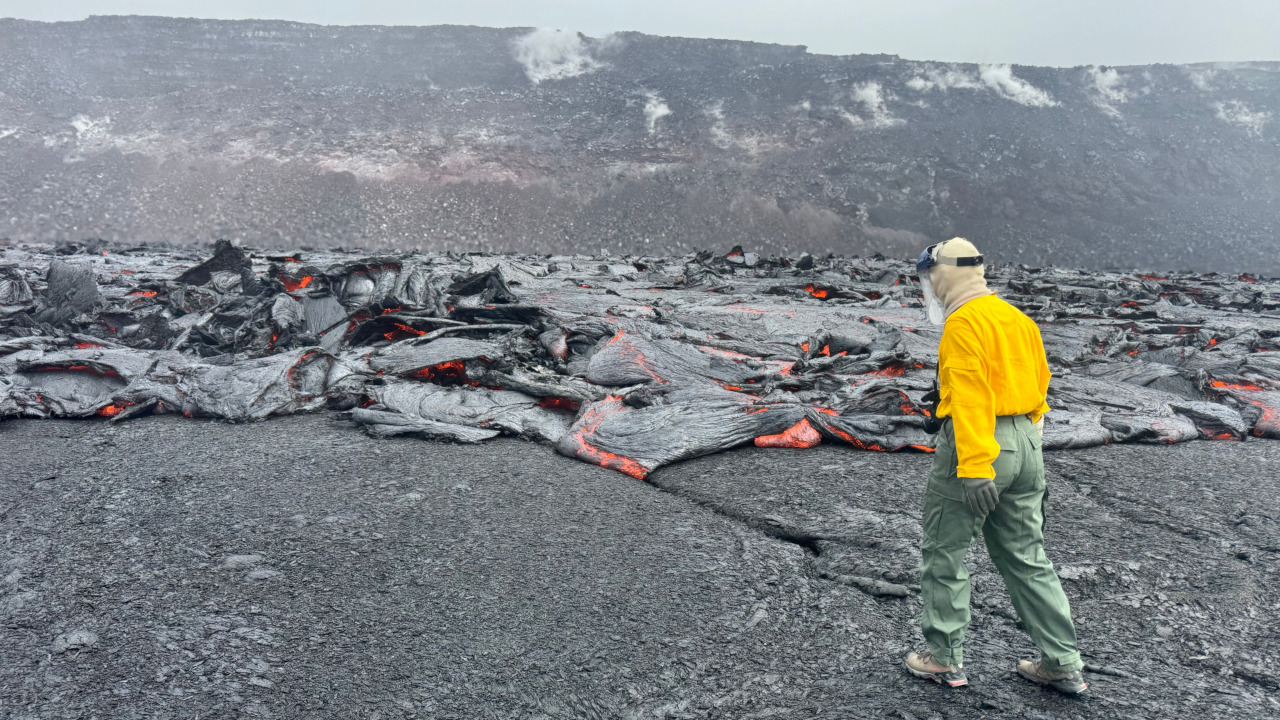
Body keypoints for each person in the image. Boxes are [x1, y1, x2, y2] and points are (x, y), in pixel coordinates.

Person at [903, 237, 1087, 695]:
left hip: (982, 444)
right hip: (1027, 442)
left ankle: (943, 659)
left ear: (944, 274)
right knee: (1027, 556)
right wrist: (1029, 441)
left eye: (930, 276)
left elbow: (968, 398)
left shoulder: (963, 323)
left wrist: (976, 466)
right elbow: (1040, 384)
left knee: (946, 550)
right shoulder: (1018, 319)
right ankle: (1062, 661)